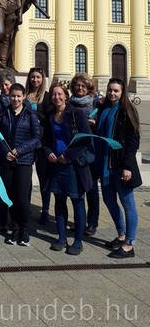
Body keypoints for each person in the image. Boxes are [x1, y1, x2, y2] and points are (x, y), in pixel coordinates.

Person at [42, 82, 93, 255]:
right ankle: (62, 238)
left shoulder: (76, 113)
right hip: (56, 164)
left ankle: (78, 241)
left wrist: (69, 155)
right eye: (53, 94)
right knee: (59, 201)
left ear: (66, 95)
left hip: (73, 165)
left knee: (77, 201)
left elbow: (86, 139)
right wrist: (48, 152)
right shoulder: (50, 116)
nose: (56, 97)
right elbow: (46, 141)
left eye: (59, 94)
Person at [94, 79, 141, 259]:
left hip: (120, 165)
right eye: (110, 90)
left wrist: (127, 166)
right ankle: (121, 234)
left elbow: (133, 141)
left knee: (128, 204)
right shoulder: (104, 109)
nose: (112, 93)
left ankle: (129, 244)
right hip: (105, 165)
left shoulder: (127, 110)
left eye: (116, 91)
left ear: (122, 93)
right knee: (109, 200)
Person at [0, 83, 40, 246]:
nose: (16, 99)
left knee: (21, 197)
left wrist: (19, 150)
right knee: (10, 197)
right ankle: (14, 227)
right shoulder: (2, 113)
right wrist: (5, 151)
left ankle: (24, 229)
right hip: (7, 160)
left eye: (19, 96)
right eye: (13, 96)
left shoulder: (30, 115)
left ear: (24, 97)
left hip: (23, 160)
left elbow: (36, 138)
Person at [69, 72, 100, 236]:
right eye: (77, 85)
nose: (80, 88)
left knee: (92, 187)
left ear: (89, 88)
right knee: (77, 188)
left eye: (83, 86)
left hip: (90, 150)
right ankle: (80, 221)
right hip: (74, 149)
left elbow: (101, 124)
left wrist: (93, 123)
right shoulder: (70, 103)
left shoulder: (95, 104)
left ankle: (92, 222)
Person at [25, 67, 51, 225]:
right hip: (26, 142)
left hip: (41, 143)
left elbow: (49, 118)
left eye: (38, 77)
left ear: (42, 80)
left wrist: (33, 114)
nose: (35, 80)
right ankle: (26, 207)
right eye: (33, 77)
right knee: (26, 178)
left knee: (43, 178)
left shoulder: (46, 97)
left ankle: (45, 209)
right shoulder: (24, 95)